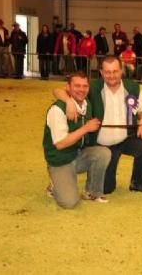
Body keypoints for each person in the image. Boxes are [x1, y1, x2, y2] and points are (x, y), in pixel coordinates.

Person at [53, 56, 142, 195]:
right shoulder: (92, 87)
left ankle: (137, 182)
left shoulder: (133, 87)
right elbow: (57, 91)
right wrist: (69, 102)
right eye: (107, 72)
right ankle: (63, 177)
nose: (111, 76)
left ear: (121, 71)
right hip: (102, 144)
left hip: (125, 139)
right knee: (107, 189)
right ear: (101, 72)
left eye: (115, 71)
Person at [43, 71, 111, 208]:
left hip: (76, 154)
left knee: (103, 153)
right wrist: (85, 128)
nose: (82, 90)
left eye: (85, 86)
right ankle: (54, 183)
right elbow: (60, 144)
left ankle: (92, 192)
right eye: (77, 86)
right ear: (68, 87)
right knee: (69, 203)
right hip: (60, 160)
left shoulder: (87, 104)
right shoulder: (58, 109)